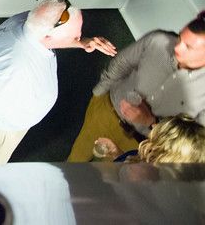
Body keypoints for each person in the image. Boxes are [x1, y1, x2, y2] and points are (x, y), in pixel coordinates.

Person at [0, 0, 117, 166]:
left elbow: (52, 39)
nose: (79, 37)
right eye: (75, 37)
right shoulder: (17, 67)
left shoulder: (29, 22)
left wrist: (83, 43)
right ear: (48, 37)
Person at [67, 10, 205, 162]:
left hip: (143, 144)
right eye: (180, 38)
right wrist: (98, 92)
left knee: (108, 175)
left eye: (188, 47)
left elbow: (193, 142)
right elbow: (122, 62)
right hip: (107, 112)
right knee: (76, 158)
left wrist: (151, 123)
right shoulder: (158, 41)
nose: (177, 47)